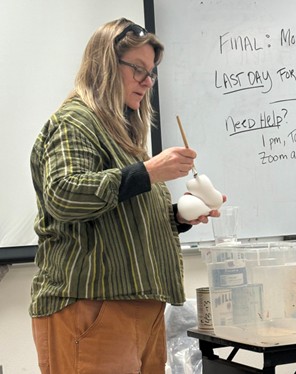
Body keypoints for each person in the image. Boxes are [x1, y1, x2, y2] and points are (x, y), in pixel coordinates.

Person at [29, 18, 224, 374]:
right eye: (138, 69)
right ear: (105, 64)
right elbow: (64, 194)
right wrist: (149, 172)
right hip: (92, 307)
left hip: (138, 308)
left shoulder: (124, 137)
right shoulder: (76, 122)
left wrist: (177, 216)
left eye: (151, 73)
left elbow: (122, 214)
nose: (147, 81)